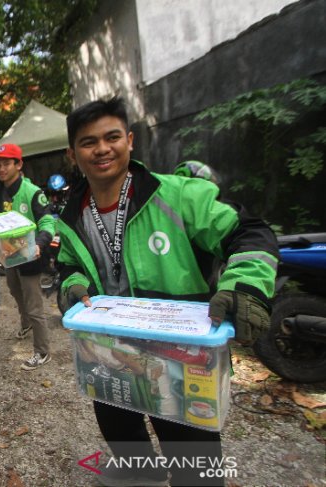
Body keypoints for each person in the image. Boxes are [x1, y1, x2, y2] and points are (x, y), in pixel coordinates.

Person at [57, 97, 278, 486]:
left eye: (112, 137)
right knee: (123, 439)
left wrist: (245, 286)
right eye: (89, 142)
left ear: (130, 140)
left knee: (196, 465)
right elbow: (69, 265)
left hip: (180, 357)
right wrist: (72, 284)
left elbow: (250, 233)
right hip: (107, 352)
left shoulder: (179, 196)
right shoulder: (70, 216)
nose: (102, 149)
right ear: (73, 154)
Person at [0, 144, 56, 370]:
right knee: (14, 289)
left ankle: (42, 351)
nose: (0, 169)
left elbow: (48, 222)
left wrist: (40, 243)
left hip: (31, 254)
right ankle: (26, 323)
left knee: (34, 304)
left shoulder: (32, 192)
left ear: (18, 165)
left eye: (6, 164)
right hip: (8, 254)